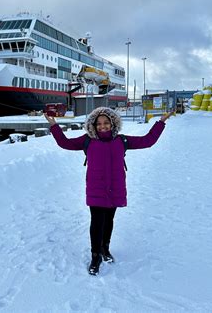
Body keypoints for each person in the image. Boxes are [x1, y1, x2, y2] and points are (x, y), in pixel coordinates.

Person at [45, 107, 171, 275]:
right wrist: (53, 125)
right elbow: (65, 143)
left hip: (115, 187)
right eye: (99, 124)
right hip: (96, 189)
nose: (103, 126)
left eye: (106, 123)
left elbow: (147, 141)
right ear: (93, 126)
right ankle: (95, 256)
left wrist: (160, 122)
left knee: (109, 220)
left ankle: (105, 248)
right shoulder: (87, 140)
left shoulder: (122, 141)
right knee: (97, 222)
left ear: (113, 123)